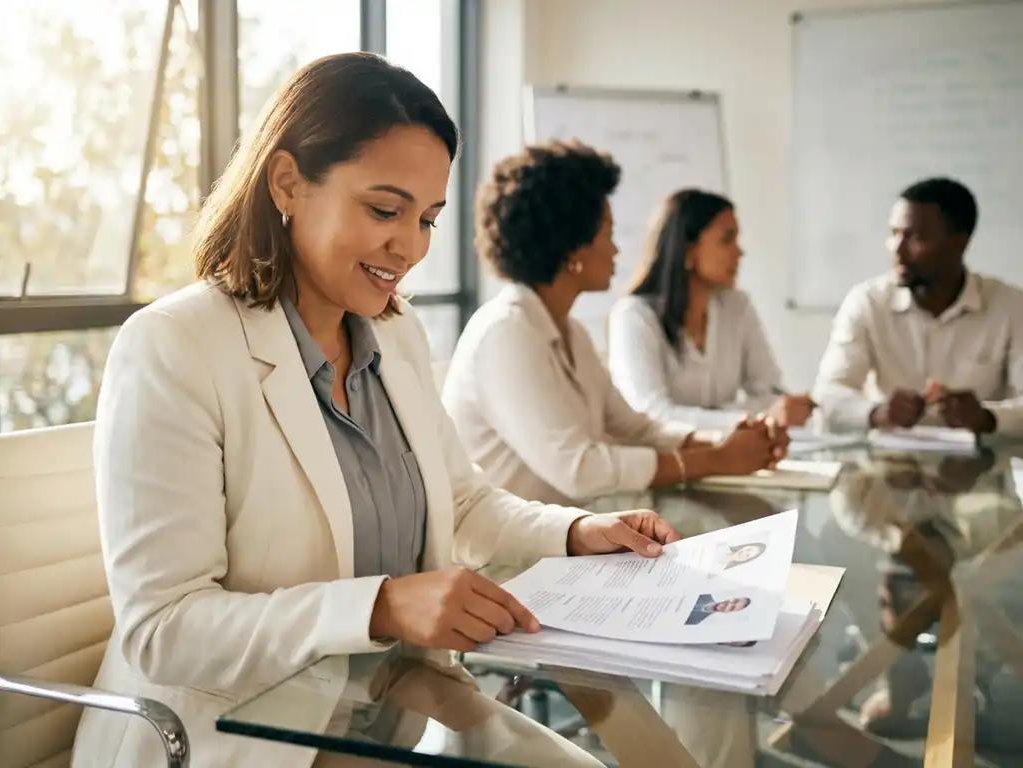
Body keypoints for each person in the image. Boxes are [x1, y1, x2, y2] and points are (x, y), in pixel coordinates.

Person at [71, 54, 683, 768]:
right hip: (238, 737)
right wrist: (380, 606)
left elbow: (460, 499)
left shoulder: (393, 332)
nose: (411, 246)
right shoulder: (176, 346)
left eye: (427, 219)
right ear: (288, 184)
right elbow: (163, 628)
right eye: (385, 210)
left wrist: (578, 531)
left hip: (391, 706)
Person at [441, 143, 786, 507]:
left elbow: (635, 429)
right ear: (573, 247)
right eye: (607, 233)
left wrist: (723, 442)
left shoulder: (569, 332)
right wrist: (716, 460)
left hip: (570, 538)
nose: (617, 250)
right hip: (511, 559)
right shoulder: (506, 334)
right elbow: (580, 470)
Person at [814, 177, 1023, 435]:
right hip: (887, 467)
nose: (897, 250)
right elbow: (827, 395)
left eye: (915, 237)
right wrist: (879, 412)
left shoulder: (1010, 307)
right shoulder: (868, 302)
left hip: (979, 467)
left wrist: (986, 417)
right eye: (894, 234)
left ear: (959, 242)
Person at [608, 189, 815, 430]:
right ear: (688, 251)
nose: (739, 252)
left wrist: (756, 413)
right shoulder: (634, 317)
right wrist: (750, 418)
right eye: (727, 239)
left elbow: (770, 392)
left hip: (730, 457)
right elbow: (651, 415)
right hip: (668, 462)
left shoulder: (737, 306)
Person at [685, 595, 752, 625]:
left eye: (732, 608)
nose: (729, 604)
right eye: (735, 600)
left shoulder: (697, 622)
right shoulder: (704, 595)